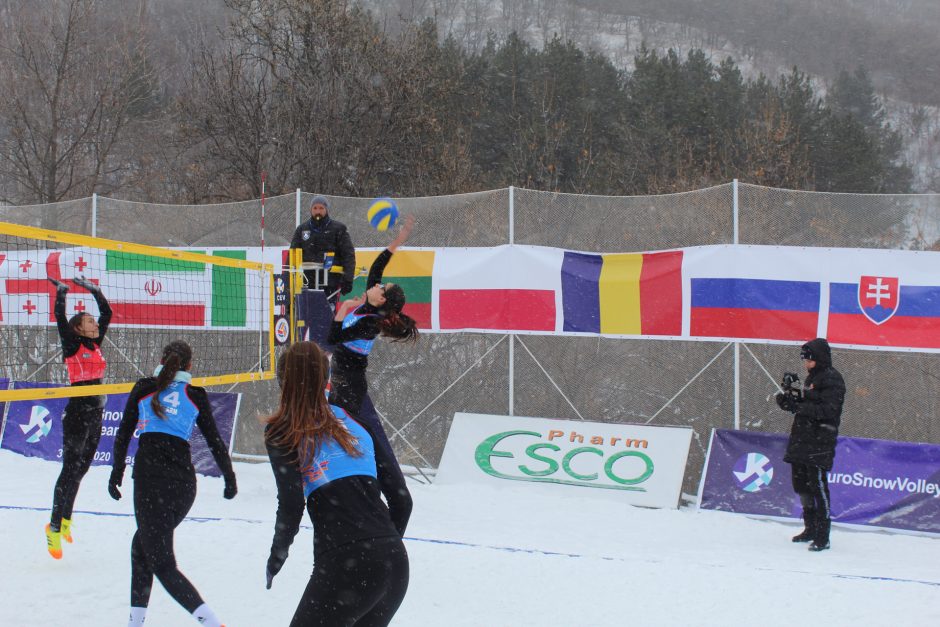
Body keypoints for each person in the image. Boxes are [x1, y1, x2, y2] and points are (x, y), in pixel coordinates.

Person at [264, 341, 412, 627]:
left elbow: (292, 502)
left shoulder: (282, 429)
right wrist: (383, 548)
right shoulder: (354, 422)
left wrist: (277, 554)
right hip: (395, 561)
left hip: (348, 561)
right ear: (326, 379)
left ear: (283, 382)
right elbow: (402, 500)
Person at [109, 341, 237, 627]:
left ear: (161, 359)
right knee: (141, 547)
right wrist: (229, 477)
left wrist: (116, 473)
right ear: (189, 366)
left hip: (150, 482)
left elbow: (123, 434)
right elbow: (215, 442)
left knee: (162, 563)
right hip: (183, 486)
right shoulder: (194, 394)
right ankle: (135, 622)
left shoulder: (144, 387)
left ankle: (212, 622)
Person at [327, 214, 417, 460]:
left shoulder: (371, 323)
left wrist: (343, 309)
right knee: (348, 431)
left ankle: (370, 471)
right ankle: (366, 468)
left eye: (381, 287)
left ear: (382, 299)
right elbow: (378, 266)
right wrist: (398, 240)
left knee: (355, 434)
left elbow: (334, 337)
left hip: (350, 383)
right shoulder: (371, 304)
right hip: (343, 378)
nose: (376, 285)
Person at [44, 275, 112, 559]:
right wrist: (62, 293)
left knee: (82, 470)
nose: (96, 324)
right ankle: (53, 527)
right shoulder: (73, 344)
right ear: (78, 328)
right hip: (77, 415)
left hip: (97, 412)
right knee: (69, 471)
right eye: (90, 322)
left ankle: (66, 520)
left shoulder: (95, 343)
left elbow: (106, 312)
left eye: (94, 323)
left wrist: (94, 290)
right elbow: (60, 315)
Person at [775, 337, 845, 552]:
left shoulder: (833, 379)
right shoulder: (811, 378)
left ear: (820, 358)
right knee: (802, 486)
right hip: (802, 440)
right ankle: (810, 528)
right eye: (805, 360)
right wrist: (789, 401)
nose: (806, 364)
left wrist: (801, 405)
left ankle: (823, 536)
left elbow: (828, 410)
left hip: (819, 442)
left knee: (818, 487)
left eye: (810, 360)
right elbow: (806, 404)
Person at [290, 194, 357, 302]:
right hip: (306, 282)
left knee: (327, 315)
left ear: (327, 209)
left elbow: (348, 255)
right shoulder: (302, 229)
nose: (318, 211)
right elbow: (291, 255)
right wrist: (287, 280)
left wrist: (348, 279)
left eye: (321, 208)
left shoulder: (338, 229)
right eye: (315, 208)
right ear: (311, 210)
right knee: (306, 315)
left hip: (330, 283)